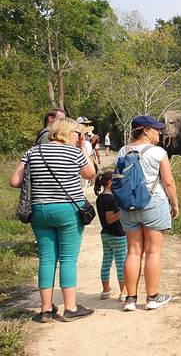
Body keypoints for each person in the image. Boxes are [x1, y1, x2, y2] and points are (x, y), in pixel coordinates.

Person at [10, 118, 96, 322]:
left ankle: (45, 310)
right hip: (68, 210)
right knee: (68, 259)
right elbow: (91, 173)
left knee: (47, 259)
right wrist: (83, 147)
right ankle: (70, 308)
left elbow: (14, 181)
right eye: (78, 133)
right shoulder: (74, 152)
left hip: (39, 210)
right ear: (71, 133)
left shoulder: (33, 152)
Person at [118, 115, 179, 311]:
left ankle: (130, 299)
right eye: (156, 129)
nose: (159, 132)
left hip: (128, 206)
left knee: (133, 251)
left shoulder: (122, 151)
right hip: (153, 203)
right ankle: (152, 298)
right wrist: (175, 204)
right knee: (154, 251)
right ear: (145, 130)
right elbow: (168, 182)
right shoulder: (158, 152)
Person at [94, 171, 127, 302]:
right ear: (110, 183)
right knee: (121, 263)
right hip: (117, 235)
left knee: (106, 261)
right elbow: (110, 218)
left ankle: (105, 290)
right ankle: (124, 292)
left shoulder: (100, 198)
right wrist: (122, 211)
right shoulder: (110, 199)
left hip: (106, 234)